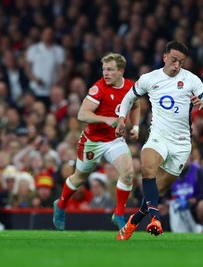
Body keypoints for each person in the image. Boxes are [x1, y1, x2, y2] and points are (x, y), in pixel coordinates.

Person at [115, 41, 203, 240]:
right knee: (147, 168)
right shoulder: (149, 79)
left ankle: (133, 221)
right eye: (173, 60)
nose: (177, 65)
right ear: (164, 57)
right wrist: (122, 119)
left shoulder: (191, 80)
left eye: (181, 61)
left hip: (181, 144)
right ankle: (155, 220)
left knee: (158, 190)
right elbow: (128, 98)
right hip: (158, 136)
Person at [52, 53, 141, 230]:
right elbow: (82, 114)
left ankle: (119, 214)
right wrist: (106, 120)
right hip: (93, 141)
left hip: (115, 140)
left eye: (110, 70)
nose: (105, 73)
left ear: (121, 71)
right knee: (79, 178)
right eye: (104, 69)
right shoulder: (98, 88)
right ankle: (60, 206)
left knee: (128, 173)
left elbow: (136, 105)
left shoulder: (131, 87)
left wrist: (136, 127)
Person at [166, 160, 203, 233]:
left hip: (194, 206)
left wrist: (190, 201)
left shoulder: (198, 170)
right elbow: (163, 194)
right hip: (176, 205)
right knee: (159, 208)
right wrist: (167, 202)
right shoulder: (169, 173)